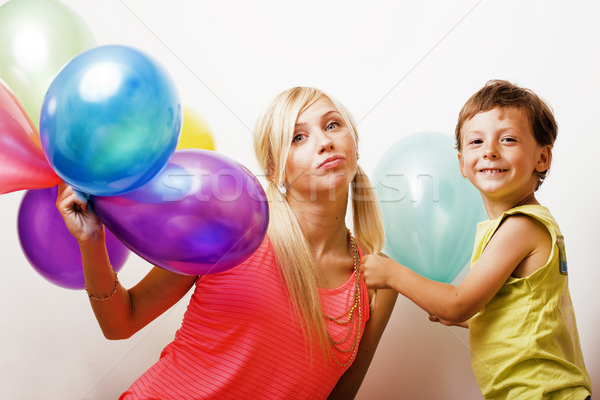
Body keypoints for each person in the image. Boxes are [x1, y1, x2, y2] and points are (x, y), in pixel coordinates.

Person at [57, 86, 397, 400]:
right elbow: (121, 322)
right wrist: (91, 242)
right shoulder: (232, 226)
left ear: (354, 141)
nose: (324, 142)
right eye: (298, 137)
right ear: (276, 169)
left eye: (333, 125)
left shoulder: (378, 287)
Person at [360, 80, 592, 399]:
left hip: (541, 392)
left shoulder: (521, 226)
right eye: (476, 141)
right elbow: (519, 315)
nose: (490, 151)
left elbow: (458, 303)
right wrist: (474, 320)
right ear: (461, 164)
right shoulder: (513, 226)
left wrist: (391, 274)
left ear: (542, 158)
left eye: (508, 139)